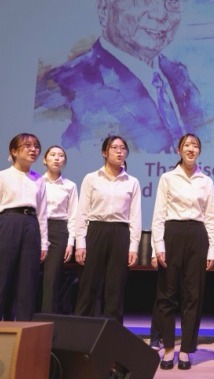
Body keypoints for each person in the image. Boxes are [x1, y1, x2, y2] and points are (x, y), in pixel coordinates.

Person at [34, 0, 206, 154]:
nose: (161, 14)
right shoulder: (66, 88)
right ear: (104, 8)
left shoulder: (179, 77)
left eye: (172, 1)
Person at [152, 133, 214, 370]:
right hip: (172, 234)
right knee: (168, 294)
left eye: (196, 146)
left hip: (198, 236)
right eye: (187, 145)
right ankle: (169, 347)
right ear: (179, 150)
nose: (191, 149)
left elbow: (212, 217)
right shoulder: (168, 178)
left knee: (194, 295)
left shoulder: (206, 181)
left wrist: (212, 250)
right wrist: (158, 246)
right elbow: (159, 214)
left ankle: (186, 350)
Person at [0, 133, 48, 321]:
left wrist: (44, 244)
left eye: (36, 146)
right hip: (8, 223)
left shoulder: (39, 179)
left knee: (27, 284)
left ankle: (24, 332)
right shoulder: (1, 177)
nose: (33, 149)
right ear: (14, 151)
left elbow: (42, 214)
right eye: (27, 146)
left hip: (31, 226)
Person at [74, 136, 141, 322]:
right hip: (96, 230)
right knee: (88, 284)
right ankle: (81, 328)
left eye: (123, 148)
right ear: (104, 152)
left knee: (115, 286)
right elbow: (82, 212)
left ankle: (112, 331)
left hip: (120, 232)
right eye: (114, 148)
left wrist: (134, 247)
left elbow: (135, 216)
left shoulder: (132, 182)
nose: (120, 151)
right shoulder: (91, 178)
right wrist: (80, 243)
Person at [40, 146, 79, 314]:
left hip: (58, 230)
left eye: (61, 155)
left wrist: (71, 242)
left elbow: (73, 216)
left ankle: (48, 318)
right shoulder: (36, 182)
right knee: (28, 275)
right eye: (53, 155)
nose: (57, 158)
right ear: (44, 159)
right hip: (36, 227)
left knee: (52, 277)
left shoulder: (70, 186)